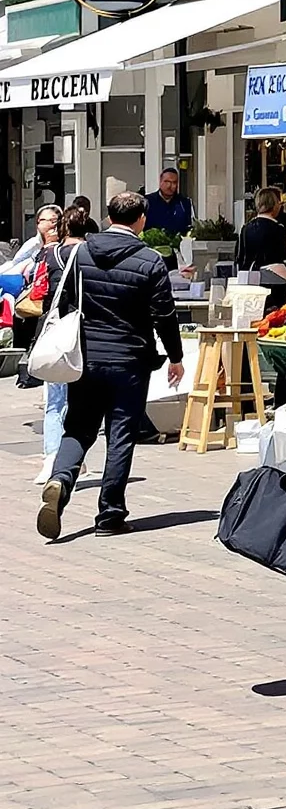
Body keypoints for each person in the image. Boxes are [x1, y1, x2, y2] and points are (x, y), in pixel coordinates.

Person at [35, 192, 183, 541]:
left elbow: (65, 299)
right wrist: (175, 357)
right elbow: (164, 314)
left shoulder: (79, 253)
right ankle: (110, 514)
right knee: (120, 437)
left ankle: (61, 479)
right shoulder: (149, 260)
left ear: (108, 215)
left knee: (78, 427)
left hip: (84, 357)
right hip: (129, 360)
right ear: (142, 219)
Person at [14, 205, 68, 483]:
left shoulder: (61, 255)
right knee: (56, 398)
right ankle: (54, 457)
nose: (48, 225)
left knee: (62, 399)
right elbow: (13, 269)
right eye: (44, 220)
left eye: (53, 221)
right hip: (49, 330)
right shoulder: (35, 251)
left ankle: (64, 457)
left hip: (64, 331)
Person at [236, 188, 286, 314]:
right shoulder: (278, 229)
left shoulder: (246, 228)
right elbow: (282, 258)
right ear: (274, 205)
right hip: (274, 284)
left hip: (250, 284)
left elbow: (240, 257)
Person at [142, 169, 192, 242]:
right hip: (153, 247)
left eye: (173, 182)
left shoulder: (184, 203)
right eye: (166, 181)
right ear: (160, 181)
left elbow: (188, 227)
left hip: (178, 247)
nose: (169, 186)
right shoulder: (147, 201)